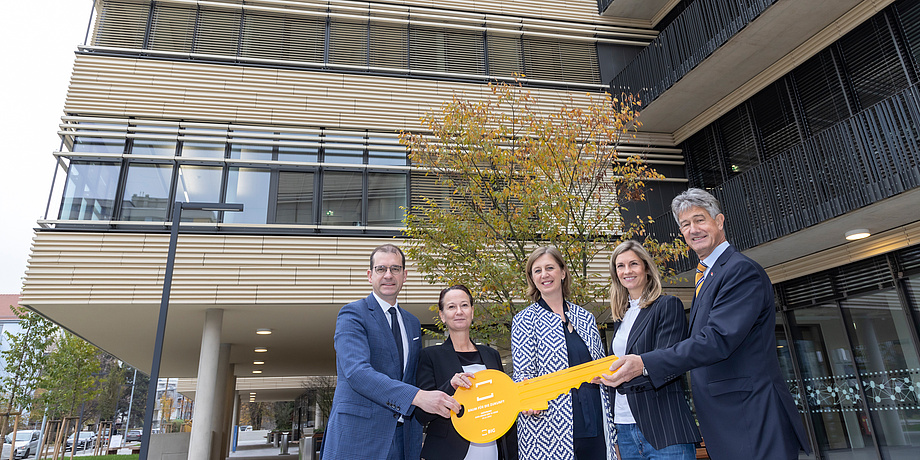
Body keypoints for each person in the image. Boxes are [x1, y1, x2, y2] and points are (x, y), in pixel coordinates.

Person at [602, 189, 811, 459]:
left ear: (720, 221)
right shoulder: (709, 274)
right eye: (685, 224)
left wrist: (644, 363)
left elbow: (717, 340)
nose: (693, 229)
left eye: (700, 220)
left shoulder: (739, 270)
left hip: (750, 415)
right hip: (729, 418)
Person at [322, 244, 461, 460]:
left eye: (395, 269)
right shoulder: (352, 314)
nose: (388, 275)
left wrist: (447, 388)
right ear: (370, 275)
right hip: (358, 438)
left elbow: (411, 378)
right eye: (381, 269)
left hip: (404, 440)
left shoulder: (412, 323)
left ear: (405, 276)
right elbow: (357, 373)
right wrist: (417, 396)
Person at [511, 246, 613, 460]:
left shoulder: (585, 317)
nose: (544, 275)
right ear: (531, 278)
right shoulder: (524, 320)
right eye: (537, 270)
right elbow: (522, 373)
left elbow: (602, 367)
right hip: (549, 427)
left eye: (550, 267)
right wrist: (527, 400)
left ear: (563, 272)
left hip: (595, 420)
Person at [605, 240, 700, 459]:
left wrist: (619, 381)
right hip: (624, 428)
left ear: (646, 268)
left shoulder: (667, 305)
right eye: (620, 266)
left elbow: (669, 364)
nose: (627, 271)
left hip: (664, 427)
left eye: (633, 264)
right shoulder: (621, 317)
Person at [416, 285, 519, 460]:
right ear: (442, 315)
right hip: (449, 453)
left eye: (464, 305)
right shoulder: (430, 356)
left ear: (472, 311)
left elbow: (504, 405)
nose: (459, 311)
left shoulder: (491, 354)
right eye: (451, 307)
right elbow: (421, 415)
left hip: (493, 452)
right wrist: (450, 386)